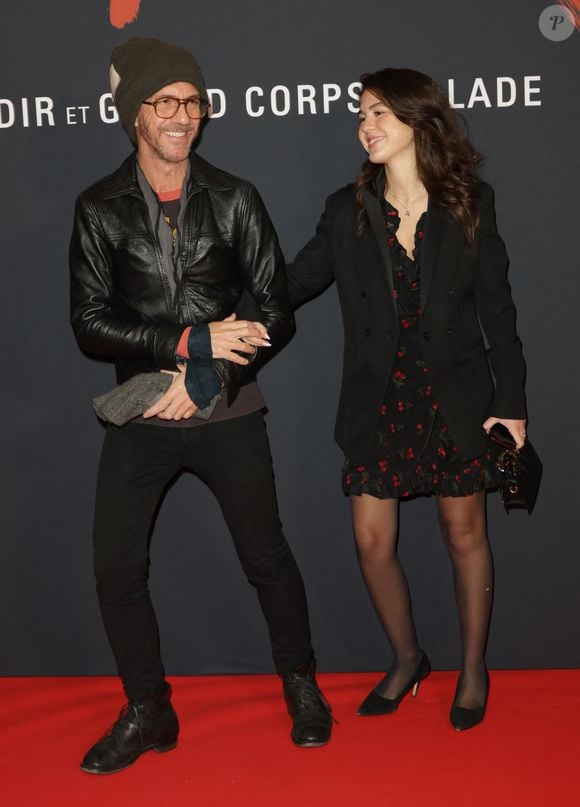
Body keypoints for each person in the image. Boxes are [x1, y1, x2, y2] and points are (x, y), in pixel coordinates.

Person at [70, 37, 332, 775]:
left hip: (227, 407)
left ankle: (300, 681)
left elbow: (277, 308)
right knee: (114, 568)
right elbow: (90, 324)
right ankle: (149, 706)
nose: (182, 115)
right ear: (134, 116)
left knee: (266, 555)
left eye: (192, 100)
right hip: (143, 410)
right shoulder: (99, 208)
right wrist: (187, 341)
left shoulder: (236, 196)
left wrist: (209, 374)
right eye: (164, 102)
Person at [287, 68, 527, 731]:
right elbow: (295, 282)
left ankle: (474, 667)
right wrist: (231, 315)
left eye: (380, 114)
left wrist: (512, 402)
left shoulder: (469, 203)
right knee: (371, 540)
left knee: (464, 532)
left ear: (421, 122)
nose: (366, 126)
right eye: (361, 115)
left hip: (456, 397)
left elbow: (498, 313)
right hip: (379, 400)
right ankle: (407, 656)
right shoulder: (346, 210)